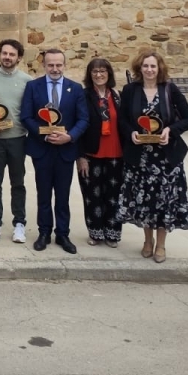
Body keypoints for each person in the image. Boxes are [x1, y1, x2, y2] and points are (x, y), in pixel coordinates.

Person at [117, 50, 188, 263]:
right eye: (145, 66)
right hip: (141, 158)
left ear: (159, 68)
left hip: (166, 159)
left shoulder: (170, 90)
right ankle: (147, 241)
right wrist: (131, 133)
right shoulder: (130, 90)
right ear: (139, 69)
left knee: (164, 202)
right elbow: (122, 120)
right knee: (144, 201)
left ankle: (161, 244)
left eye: (153, 66)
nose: (149, 70)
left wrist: (170, 131)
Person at [20, 48, 88, 254]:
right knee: (43, 194)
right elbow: (26, 116)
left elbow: (83, 119)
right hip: (42, 149)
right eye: (51, 65)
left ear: (64, 65)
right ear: (44, 65)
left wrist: (70, 136)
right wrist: (43, 135)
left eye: (59, 65)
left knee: (63, 194)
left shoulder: (75, 89)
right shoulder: (33, 87)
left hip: (66, 149)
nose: (55, 68)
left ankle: (63, 234)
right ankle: (44, 232)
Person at [0, 39, 31, 244]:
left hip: (18, 138)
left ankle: (19, 223)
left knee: (18, 183)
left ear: (18, 57)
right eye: (4, 53)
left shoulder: (28, 80)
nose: (7, 57)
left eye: (12, 54)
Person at [78, 57, 123, 248]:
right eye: (95, 71)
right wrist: (80, 156)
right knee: (92, 195)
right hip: (91, 153)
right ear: (90, 75)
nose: (99, 75)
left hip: (116, 153)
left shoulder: (118, 96)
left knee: (113, 196)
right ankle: (95, 232)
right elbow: (78, 125)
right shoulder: (83, 96)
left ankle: (112, 233)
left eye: (103, 71)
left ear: (109, 74)